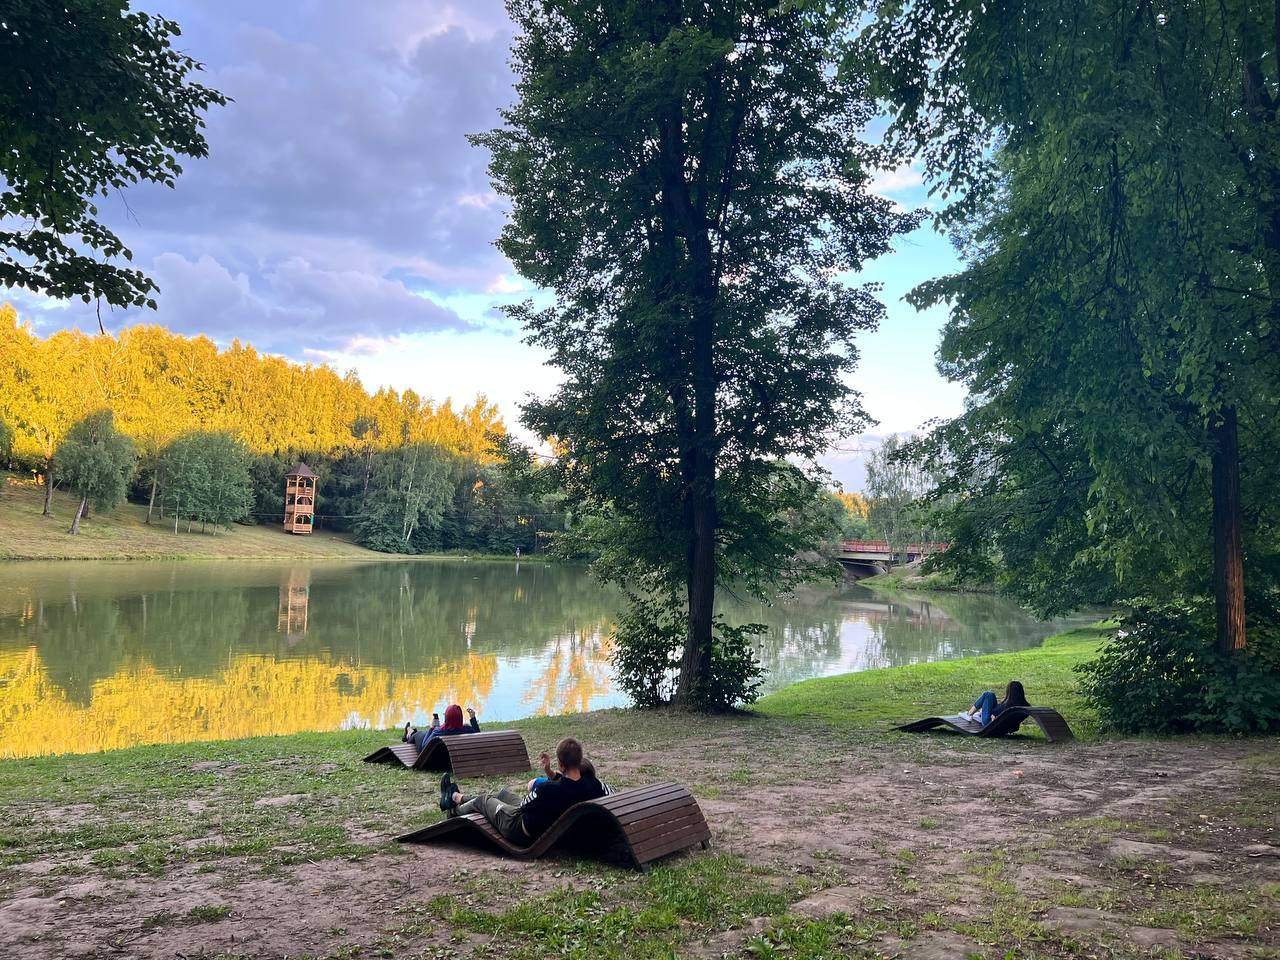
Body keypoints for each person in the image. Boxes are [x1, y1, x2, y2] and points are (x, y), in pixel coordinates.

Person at [439, 736, 605, 846]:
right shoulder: (593, 785)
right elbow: (569, 787)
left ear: (561, 765)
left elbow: (524, 806)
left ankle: (453, 811)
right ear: (579, 760)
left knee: (483, 800)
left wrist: (544, 785)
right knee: (503, 794)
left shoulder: (547, 790)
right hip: (547, 824)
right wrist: (551, 774)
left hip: (520, 829)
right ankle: (457, 797)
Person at [403, 704, 478, 751]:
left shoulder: (439, 732)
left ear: (447, 717)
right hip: (448, 758)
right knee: (422, 733)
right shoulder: (467, 730)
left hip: (433, 758)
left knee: (418, 734)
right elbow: (478, 735)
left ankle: (409, 733)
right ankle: (410, 731)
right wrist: (472, 718)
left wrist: (432, 728)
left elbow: (424, 747)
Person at [965, 680, 1030, 726]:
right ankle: (977, 714)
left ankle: (969, 714)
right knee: (991, 695)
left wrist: (992, 714)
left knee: (987, 694)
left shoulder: (1007, 706)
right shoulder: (1026, 706)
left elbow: (994, 714)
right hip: (1005, 726)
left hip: (990, 723)